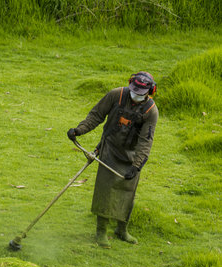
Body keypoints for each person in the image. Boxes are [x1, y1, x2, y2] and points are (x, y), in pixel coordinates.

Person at [67, 72, 158, 248]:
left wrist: (137, 165)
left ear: (150, 91)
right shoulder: (116, 95)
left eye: (140, 92)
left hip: (132, 155)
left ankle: (122, 230)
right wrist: (79, 130)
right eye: (134, 90)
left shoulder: (151, 111)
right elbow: (96, 115)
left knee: (127, 191)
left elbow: (146, 141)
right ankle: (101, 231)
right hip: (109, 149)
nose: (136, 94)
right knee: (105, 189)